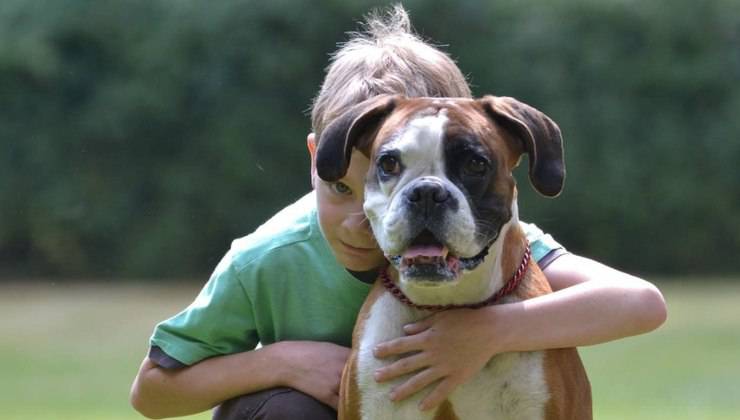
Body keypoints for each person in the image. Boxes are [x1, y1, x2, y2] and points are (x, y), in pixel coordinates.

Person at [130, 6, 666, 420]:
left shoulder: (513, 252)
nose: (420, 200)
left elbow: (641, 303)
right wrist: (283, 361)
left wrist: (488, 331)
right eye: (382, 174)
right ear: (323, 159)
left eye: (469, 165)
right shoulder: (269, 256)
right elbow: (150, 391)